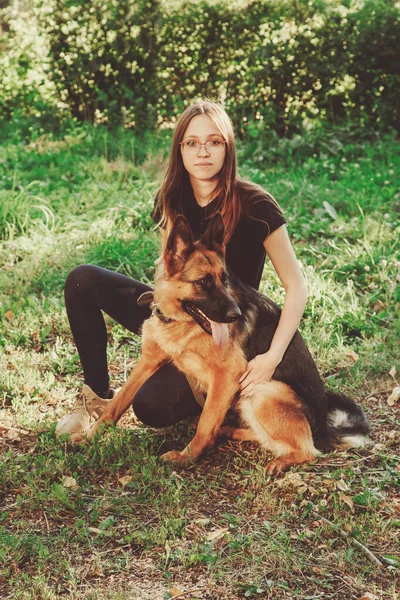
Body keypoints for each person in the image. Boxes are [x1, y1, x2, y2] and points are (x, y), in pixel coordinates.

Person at [55, 100, 307, 437]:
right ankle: (96, 400)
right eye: (192, 143)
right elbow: (169, 270)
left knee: (151, 406)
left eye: (214, 142)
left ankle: (219, 398)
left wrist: (271, 358)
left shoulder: (257, 205)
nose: (203, 152)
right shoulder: (171, 198)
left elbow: (296, 286)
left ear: (227, 149)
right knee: (82, 280)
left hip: (225, 326)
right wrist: (160, 320)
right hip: (182, 307)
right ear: (180, 149)